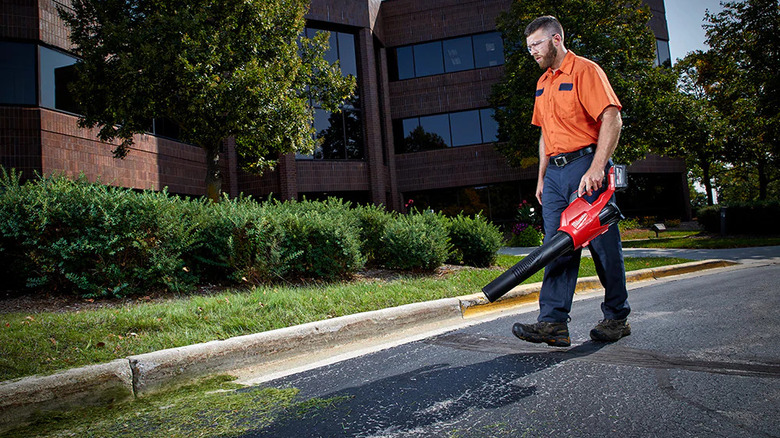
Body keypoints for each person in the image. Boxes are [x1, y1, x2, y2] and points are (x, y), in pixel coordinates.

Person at [512, 16, 631, 347]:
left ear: (555, 40)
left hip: (585, 166)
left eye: (536, 44)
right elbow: (544, 135)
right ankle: (553, 323)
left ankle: (617, 316)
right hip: (554, 175)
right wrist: (541, 177)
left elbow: (612, 118)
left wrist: (596, 167)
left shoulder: (585, 71)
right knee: (556, 247)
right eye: (528, 47)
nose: (531, 51)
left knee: (603, 246)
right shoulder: (542, 83)